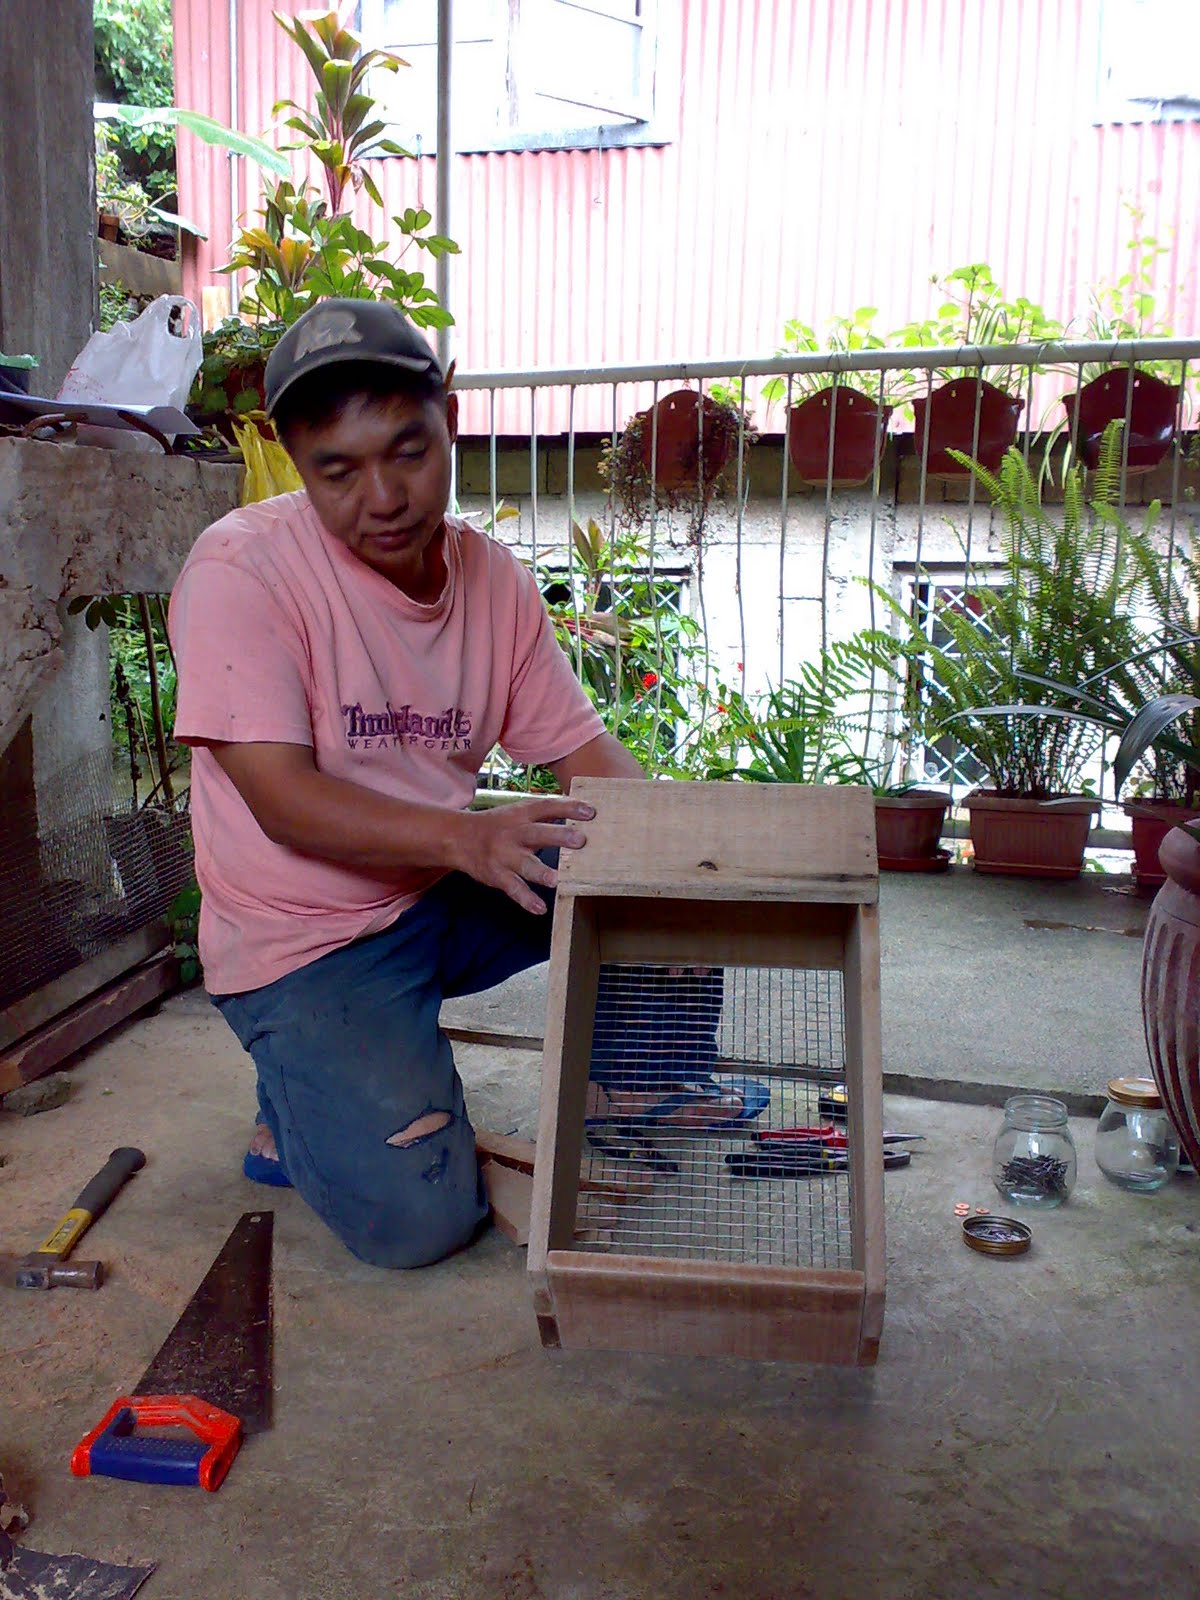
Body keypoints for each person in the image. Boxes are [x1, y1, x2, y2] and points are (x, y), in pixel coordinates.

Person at [169, 299, 753, 1271]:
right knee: (421, 1224)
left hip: (437, 882)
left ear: (450, 410)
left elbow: (585, 752)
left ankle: (635, 1082)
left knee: (646, 865)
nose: (384, 497)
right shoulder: (241, 572)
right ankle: (298, 1097)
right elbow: (282, 801)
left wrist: (684, 861)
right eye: (338, 472)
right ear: (290, 454)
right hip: (304, 939)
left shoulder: (493, 582)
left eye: (408, 451)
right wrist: (467, 838)